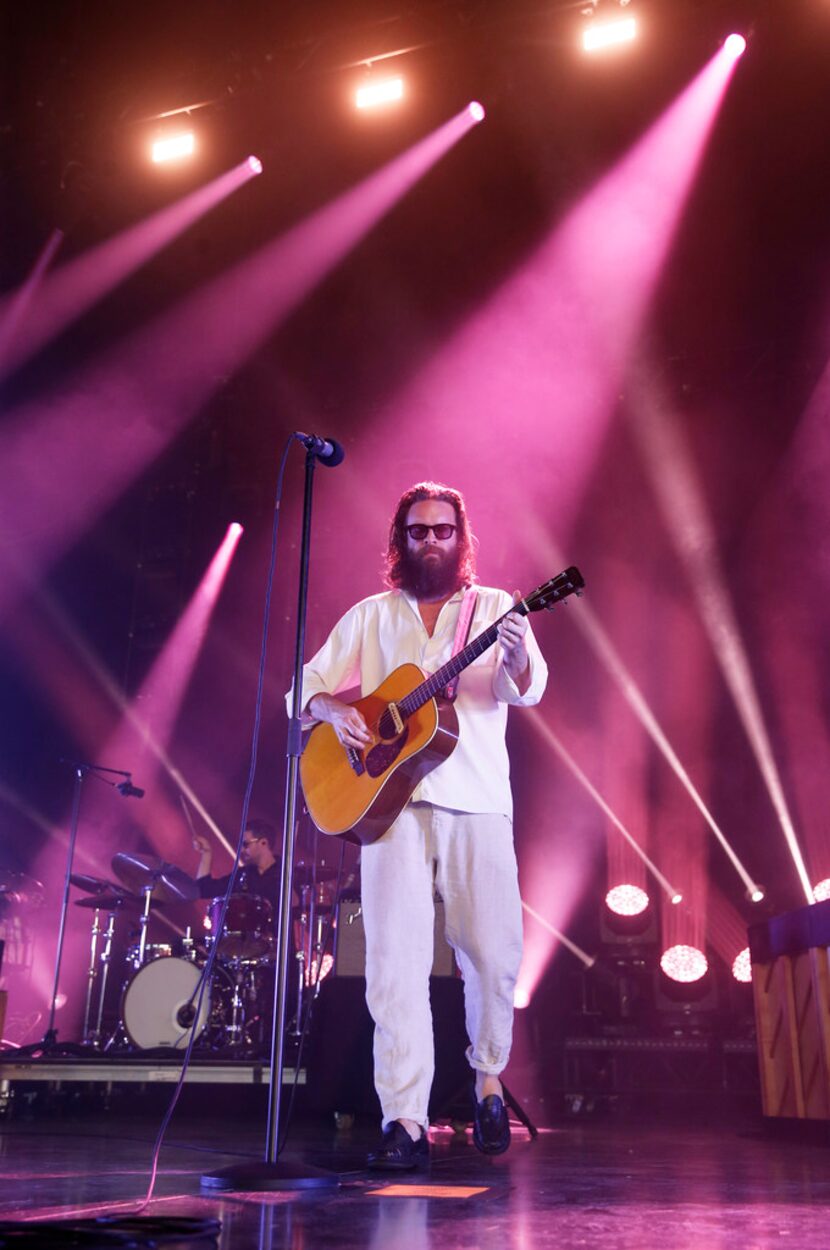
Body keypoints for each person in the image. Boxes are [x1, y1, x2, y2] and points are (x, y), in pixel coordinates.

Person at [296, 481, 548, 1169]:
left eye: (442, 530)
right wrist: (330, 710)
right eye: (418, 531)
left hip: (478, 803)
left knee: (494, 958)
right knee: (393, 966)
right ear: (400, 540)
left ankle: (488, 1078)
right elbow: (306, 685)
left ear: (460, 539)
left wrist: (519, 653)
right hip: (387, 807)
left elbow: (521, 689)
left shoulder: (496, 609)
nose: (431, 541)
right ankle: (403, 1121)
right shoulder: (370, 616)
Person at [191, 818, 280, 901]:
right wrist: (206, 852)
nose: (241, 850)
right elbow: (204, 889)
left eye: (245, 844)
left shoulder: (286, 874)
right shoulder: (244, 874)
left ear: (263, 843)